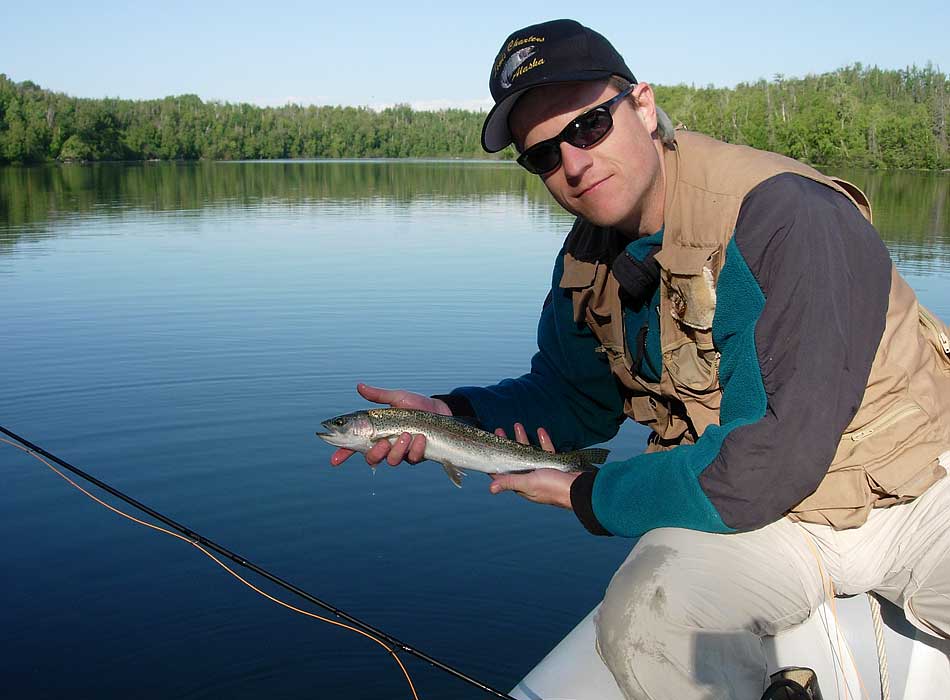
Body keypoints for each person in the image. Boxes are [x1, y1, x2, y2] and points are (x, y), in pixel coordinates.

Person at [330, 19, 950, 700]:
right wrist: (453, 414)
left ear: (644, 106)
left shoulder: (782, 216)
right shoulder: (587, 259)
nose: (572, 163)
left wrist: (588, 494)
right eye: (542, 156)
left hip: (920, 494)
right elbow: (571, 398)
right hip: (771, 524)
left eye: (589, 126)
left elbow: (764, 464)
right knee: (641, 623)